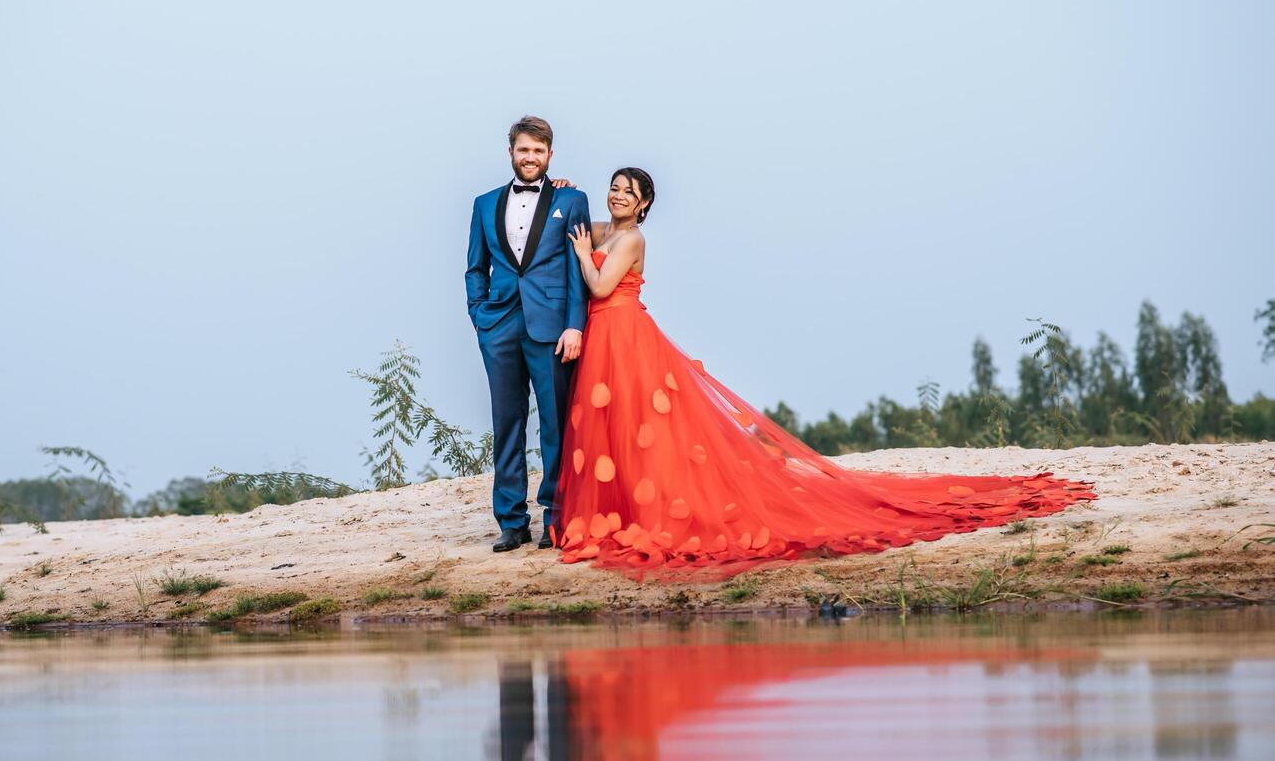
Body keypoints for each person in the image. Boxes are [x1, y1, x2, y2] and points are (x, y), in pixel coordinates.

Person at [553, 167, 1095, 574]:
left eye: (628, 190)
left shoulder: (632, 239)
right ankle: (620, 508)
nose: (617, 194)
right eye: (614, 187)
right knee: (612, 425)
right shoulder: (603, 228)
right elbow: (578, 219)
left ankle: (651, 510)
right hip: (605, 338)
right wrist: (563, 191)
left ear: (645, 203)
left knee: (640, 423)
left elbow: (600, 287)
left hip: (626, 333)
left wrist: (582, 258)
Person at [465, 116, 592, 552]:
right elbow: (474, 268)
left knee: (556, 425)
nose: (530, 157)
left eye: (538, 151)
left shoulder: (572, 200)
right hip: (499, 326)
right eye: (524, 150)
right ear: (511, 153)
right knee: (507, 423)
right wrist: (480, 317)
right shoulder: (483, 204)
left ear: (550, 155)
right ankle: (511, 521)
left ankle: (555, 517)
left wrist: (576, 323)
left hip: (553, 328)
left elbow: (578, 268)